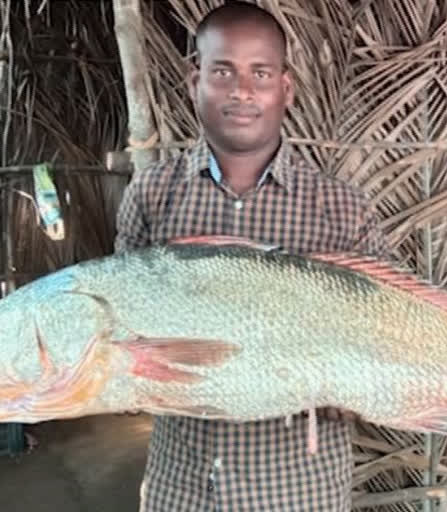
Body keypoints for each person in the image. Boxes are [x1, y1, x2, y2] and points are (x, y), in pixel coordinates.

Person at [113, 2, 389, 510]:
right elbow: (127, 329)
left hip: (297, 491)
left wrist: (347, 382)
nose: (241, 90)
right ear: (195, 80)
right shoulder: (151, 196)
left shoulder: (342, 210)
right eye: (223, 71)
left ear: (285, 87)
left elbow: (385, 341)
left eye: (259, 73)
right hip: (182, 486)